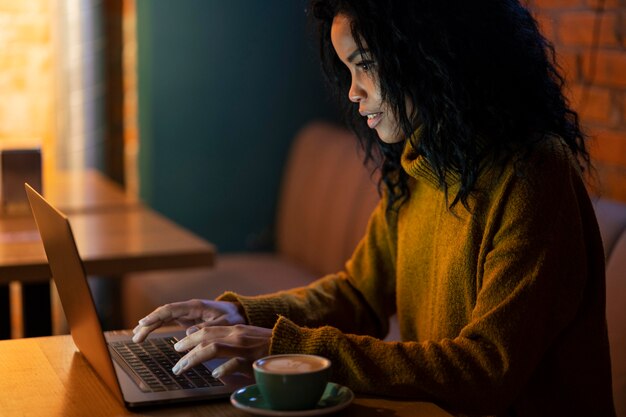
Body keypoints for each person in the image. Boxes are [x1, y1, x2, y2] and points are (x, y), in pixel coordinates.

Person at [132, 0, 616, 415]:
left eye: (364, 64)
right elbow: (359, 295)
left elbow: (486, 370)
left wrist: (287, 345)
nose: (352, 91)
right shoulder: (421, 164)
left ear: (429, 56)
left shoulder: (532, 174)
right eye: (347, 70)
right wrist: (241, 315)